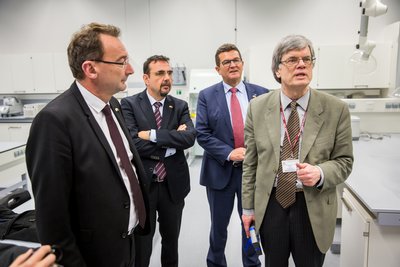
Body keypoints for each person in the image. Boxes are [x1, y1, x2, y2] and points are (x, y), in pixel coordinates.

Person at [25, 22, 150, 267]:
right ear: (91, 68)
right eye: (122, 61)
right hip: (93, 255)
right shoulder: (55, 121)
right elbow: (52, 218)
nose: (131, 69)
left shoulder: (113, 106)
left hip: (129, 242)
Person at [241, 34, 354, 267]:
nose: (302, 64)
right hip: (272, 204)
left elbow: (344, 161)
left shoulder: (336, 109)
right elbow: (250, 163)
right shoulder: (258, 107)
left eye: (307, 59)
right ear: (277, 70)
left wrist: (321, 173)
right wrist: (247, 208)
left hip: (312, 204)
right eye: (292, 59)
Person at [196, 43, 268, 267]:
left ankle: (252, 263)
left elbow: (269, 132)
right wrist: (229, 153)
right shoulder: (207, 96)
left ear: (242, 63)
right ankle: (216, 263)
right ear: (218, 69)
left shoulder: (262, 93)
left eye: (236, 60)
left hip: (252, 173)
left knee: (251, 224)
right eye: (226, 62)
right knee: (218, 227)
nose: (232, 64)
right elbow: (202, 133)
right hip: (220, 172)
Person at [121, 55, 196, 267]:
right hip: (144, 186)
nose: (167, 78)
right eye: (160, 73)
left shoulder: (179, 106)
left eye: (169, 73)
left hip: (174, 186)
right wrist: (173, 141)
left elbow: (189, 138)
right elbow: (133, 144)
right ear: (146, 78)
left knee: (171, 242)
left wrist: (153, 135)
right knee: (142, 243)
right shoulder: (129, 105)